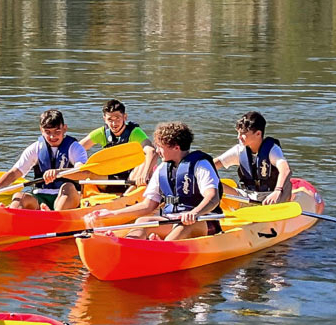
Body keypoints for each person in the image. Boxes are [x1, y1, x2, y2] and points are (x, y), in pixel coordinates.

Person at [84, 121, 222, 241]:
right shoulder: (162, 168)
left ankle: (165, 247)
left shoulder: (200, 165)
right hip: (172, 219)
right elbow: (147, 206)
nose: (157, 151)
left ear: (176, 147)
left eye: (160, 146)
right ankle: (130, 244)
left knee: (185, 226)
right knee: (143, 221)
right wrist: (112, 213)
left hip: (201, 221)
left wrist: (195, 213)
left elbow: (213, 197)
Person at [0, 109, 89, 211]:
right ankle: (9, 212)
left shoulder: (75, 148)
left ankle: (53, 216)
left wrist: (59, 173)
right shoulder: (36, 148)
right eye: (48, 132)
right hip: (40, 196)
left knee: (68, 187)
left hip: (68, 197)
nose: (52, 136)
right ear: (41, 130)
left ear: (64, 128)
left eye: (57, 131)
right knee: (19, 196)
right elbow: (15, 172)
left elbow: (83, 173)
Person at [213, 111, 292, 205]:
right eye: (238, 133)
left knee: (285, 186)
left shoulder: (272, 150)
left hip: (271, 196)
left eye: (243, 134)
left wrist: (277, 191)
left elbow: (286, 170)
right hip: (247, 196)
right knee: (214, 183)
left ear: (258, 134)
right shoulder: (239, 150)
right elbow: (213, 165)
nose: (239, 137)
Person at [78, 99, 159, 188]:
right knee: (87, 173)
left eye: (117, 118)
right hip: (109, 176)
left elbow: (152, 151)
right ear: (104, 119)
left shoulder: (135, 132)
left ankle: (128, 195)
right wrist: (79, 164)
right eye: (110, 119)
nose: (114, 123)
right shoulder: (101, 133)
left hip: (132, 177)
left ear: (125, 117)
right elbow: (77, 149)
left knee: (144, 160)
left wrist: (145, 173)